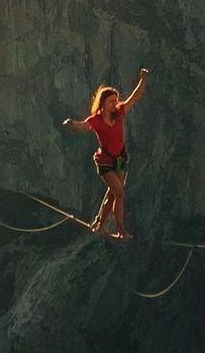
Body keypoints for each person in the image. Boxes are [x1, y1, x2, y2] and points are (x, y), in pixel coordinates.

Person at [63, 67, 147, 239]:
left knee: (113, 193)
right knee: (120, 193)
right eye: (111, 101)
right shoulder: (96, 120)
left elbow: (136, 96)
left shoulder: (120, 112)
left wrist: (143, 79)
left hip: (121, 158)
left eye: (115, 100)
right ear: (102, 103)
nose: (115, 104)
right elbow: (82, 126)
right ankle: (121, 230)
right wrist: (71, 124)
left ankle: (100, 225)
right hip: (105, 161)